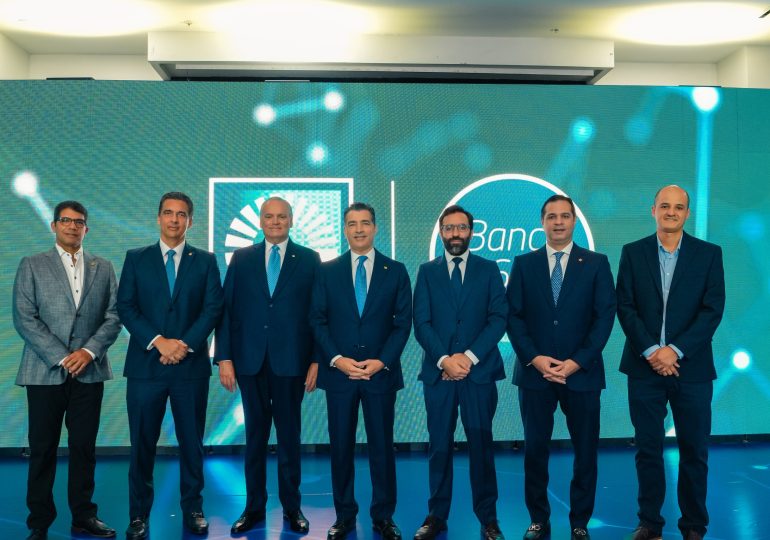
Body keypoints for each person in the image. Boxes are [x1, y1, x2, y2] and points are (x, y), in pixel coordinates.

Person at [616, 185, 725, 540]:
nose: (671, 212)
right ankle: (650, 523)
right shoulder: (632, 253)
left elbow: (712, 311)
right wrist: (652, 350)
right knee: (647, 449)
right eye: (665, 206)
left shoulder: (709, 254)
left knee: (695, 450)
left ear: (687, 213)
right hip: (643, 367)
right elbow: (625, 307)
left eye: (678, 207)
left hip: (692, 369)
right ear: (653, 210)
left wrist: (674, 350)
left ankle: (693, 525)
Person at [506, 195, 616, 540]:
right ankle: (538, 519)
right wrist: (534, 358)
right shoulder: (524, 264)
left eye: (564, 216)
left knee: (585, 452)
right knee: (535, 451)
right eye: (551, 216)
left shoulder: (596, 263)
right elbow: (513, 317)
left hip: (581, 374)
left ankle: (579, 522)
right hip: (535, 374)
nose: (558, 222)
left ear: (574, 221)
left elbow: (604, 318)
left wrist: (577, 361)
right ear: (542, 222)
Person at [13, 200, 122, 540]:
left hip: (89, 372)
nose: (73, 226)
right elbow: (24, 317)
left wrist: (88, 352)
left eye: (79, 222)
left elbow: (114, 316)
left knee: (84, 447)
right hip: (44, 372)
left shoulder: (103, 267)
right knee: (42, 449)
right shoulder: (32, 264)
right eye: (66, 220)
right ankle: (39, 522)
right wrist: (63, 356)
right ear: (54, 225)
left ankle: (83, 516)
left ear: (86, 228)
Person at [117, 192, 223, 539]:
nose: (174, 219)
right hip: (146, 367)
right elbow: (126, 306)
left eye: (181, 214)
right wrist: (159, 341)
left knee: (192, 443)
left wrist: (184, 345)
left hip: (189, 369)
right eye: (168, 213)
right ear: (158, 218)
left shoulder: (205, 261)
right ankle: (138, 515)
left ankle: (193, 509)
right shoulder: (136, 258)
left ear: (190, 221)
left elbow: (212, 308)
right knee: (142, 444)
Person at [215, 196, 321, 535]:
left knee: (289, 439)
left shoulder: (309, 259)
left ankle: (292, 508)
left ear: (291, 221)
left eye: (282, 216)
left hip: (292, 363)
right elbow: (226, 311)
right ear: (261, 221)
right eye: (269, 216)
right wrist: (224, 357)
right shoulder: (242, 259)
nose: (275, 222)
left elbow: (318, 314)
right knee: (255, 439)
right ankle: (254, 508)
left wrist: (317, 359)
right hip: (250, 362)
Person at [309, 202, 412, 540]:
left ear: (375, 227)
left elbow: (402, 324)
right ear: (344, 229)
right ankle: (344, 516)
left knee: (382, 448)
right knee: (340, 448)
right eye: (352, 224)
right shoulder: (327, 271)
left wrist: (382, 361)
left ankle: (384, 516)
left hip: (380, 375)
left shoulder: (396, 271)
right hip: (340, 375)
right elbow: (317, 320)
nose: (358, 229)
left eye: (365, 223)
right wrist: (337, 359)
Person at [412, 204, 508, 540]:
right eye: (449, 228)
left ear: (471, 231)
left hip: (478, 374)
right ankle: (436, 516)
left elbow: (498, 318)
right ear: (441, 232)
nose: (455, 234)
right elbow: (421, 322)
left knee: (481, 447)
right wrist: (445, 360)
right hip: (439, 376)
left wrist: (467, 358)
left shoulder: (489, 269)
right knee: (439, 447)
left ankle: (488, 519)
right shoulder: (427, 272)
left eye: (462, 227)